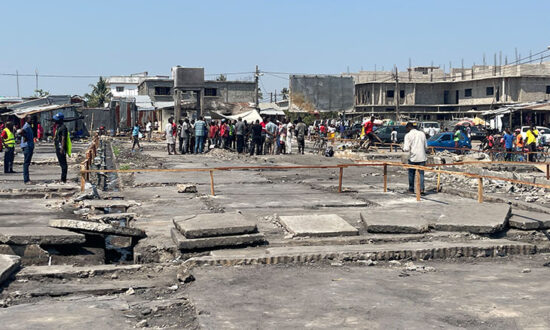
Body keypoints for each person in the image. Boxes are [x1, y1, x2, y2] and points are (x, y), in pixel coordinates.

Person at [403, 122, 427, 195]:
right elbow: (426, 146)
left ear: (408, 128)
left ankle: (411, 189)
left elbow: (406, 148)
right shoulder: (422, 134)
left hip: (413, 157)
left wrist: (403, 148)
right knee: (421, 174)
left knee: (411, 174)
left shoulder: (408, 135)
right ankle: (421, 189)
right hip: (422, 157)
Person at [53, 113, 69, 183]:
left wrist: (62, 148)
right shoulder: (58, 127)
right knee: (61, 164)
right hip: (57, 147)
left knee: (64, 165)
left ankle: (63, 179)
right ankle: (62, 179)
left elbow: (63, 138)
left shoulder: (63, 128)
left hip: (61, 148)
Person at [20, 116, 35, 184]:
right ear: (27, 119)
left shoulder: (28, 125)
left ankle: (27, 179)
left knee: (27, 163)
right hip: (27, 146)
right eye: (30, 119)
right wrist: (25, 137)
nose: (32, 120)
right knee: (26, 163)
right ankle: (26, 180)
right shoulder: (26, 126)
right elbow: (21, 131)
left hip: (29, 146)